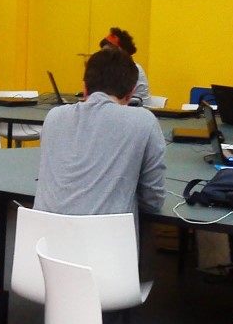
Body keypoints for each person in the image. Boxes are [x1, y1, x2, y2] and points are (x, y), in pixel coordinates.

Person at [35, 48, 166, 218]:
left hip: (43, 232)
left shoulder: (53, 117)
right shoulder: (144, 121)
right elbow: (153, 201)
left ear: (84, 88)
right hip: (107, 234)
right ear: (131, 94)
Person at [100, 26, 151, 106]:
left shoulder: (131, 69)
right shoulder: (114, 68)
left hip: (137, 109)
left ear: (121, 52)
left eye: (107, 53)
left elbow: (115, 97)